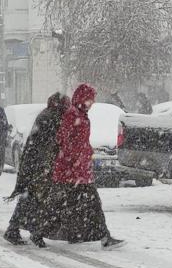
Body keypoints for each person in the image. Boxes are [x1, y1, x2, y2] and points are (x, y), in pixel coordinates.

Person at [52, 84, 124, 250]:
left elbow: (78, 142)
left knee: (73, 205)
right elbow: (64, 140)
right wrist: (76, 159)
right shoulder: (72, 115)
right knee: (89, 203)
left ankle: (78, 235)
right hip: (72, 171)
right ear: (81, 98)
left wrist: (85, 153)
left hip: (78, 171)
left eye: (92, 100)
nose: (91, 103)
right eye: (89, 99)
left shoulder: (81, 115)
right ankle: (104, 237)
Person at [3, 92, 70, 247]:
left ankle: (20, 230)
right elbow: (51, 143)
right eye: (66, 105)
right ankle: (32, 232)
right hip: (40, 165)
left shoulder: (47, 115)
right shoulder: (51, 117)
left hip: (36, 164)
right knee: (38, 199)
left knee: (32, 199)